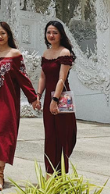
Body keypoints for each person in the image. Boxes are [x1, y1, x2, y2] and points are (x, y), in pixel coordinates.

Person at [0, 21, 40, 192]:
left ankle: (0, 175)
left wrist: (33, 98)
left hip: (7, 102)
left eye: (2, 33)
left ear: (8, 35)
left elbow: (23, 78)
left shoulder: (15, 55)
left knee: (2, 135)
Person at [38, 20, 77, 175]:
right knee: (50, 135)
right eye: (48, 32)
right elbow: (42, 76)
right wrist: (38, 95)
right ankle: (49, 174)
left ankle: (61, 175)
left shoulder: (65, 52)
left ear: (61, 34)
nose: (51, 35)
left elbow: (61, 79)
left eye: (55, 32)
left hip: (62, 97)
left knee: (63, 135)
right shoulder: (45, 53)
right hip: (49, 97)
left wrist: (55, 101)